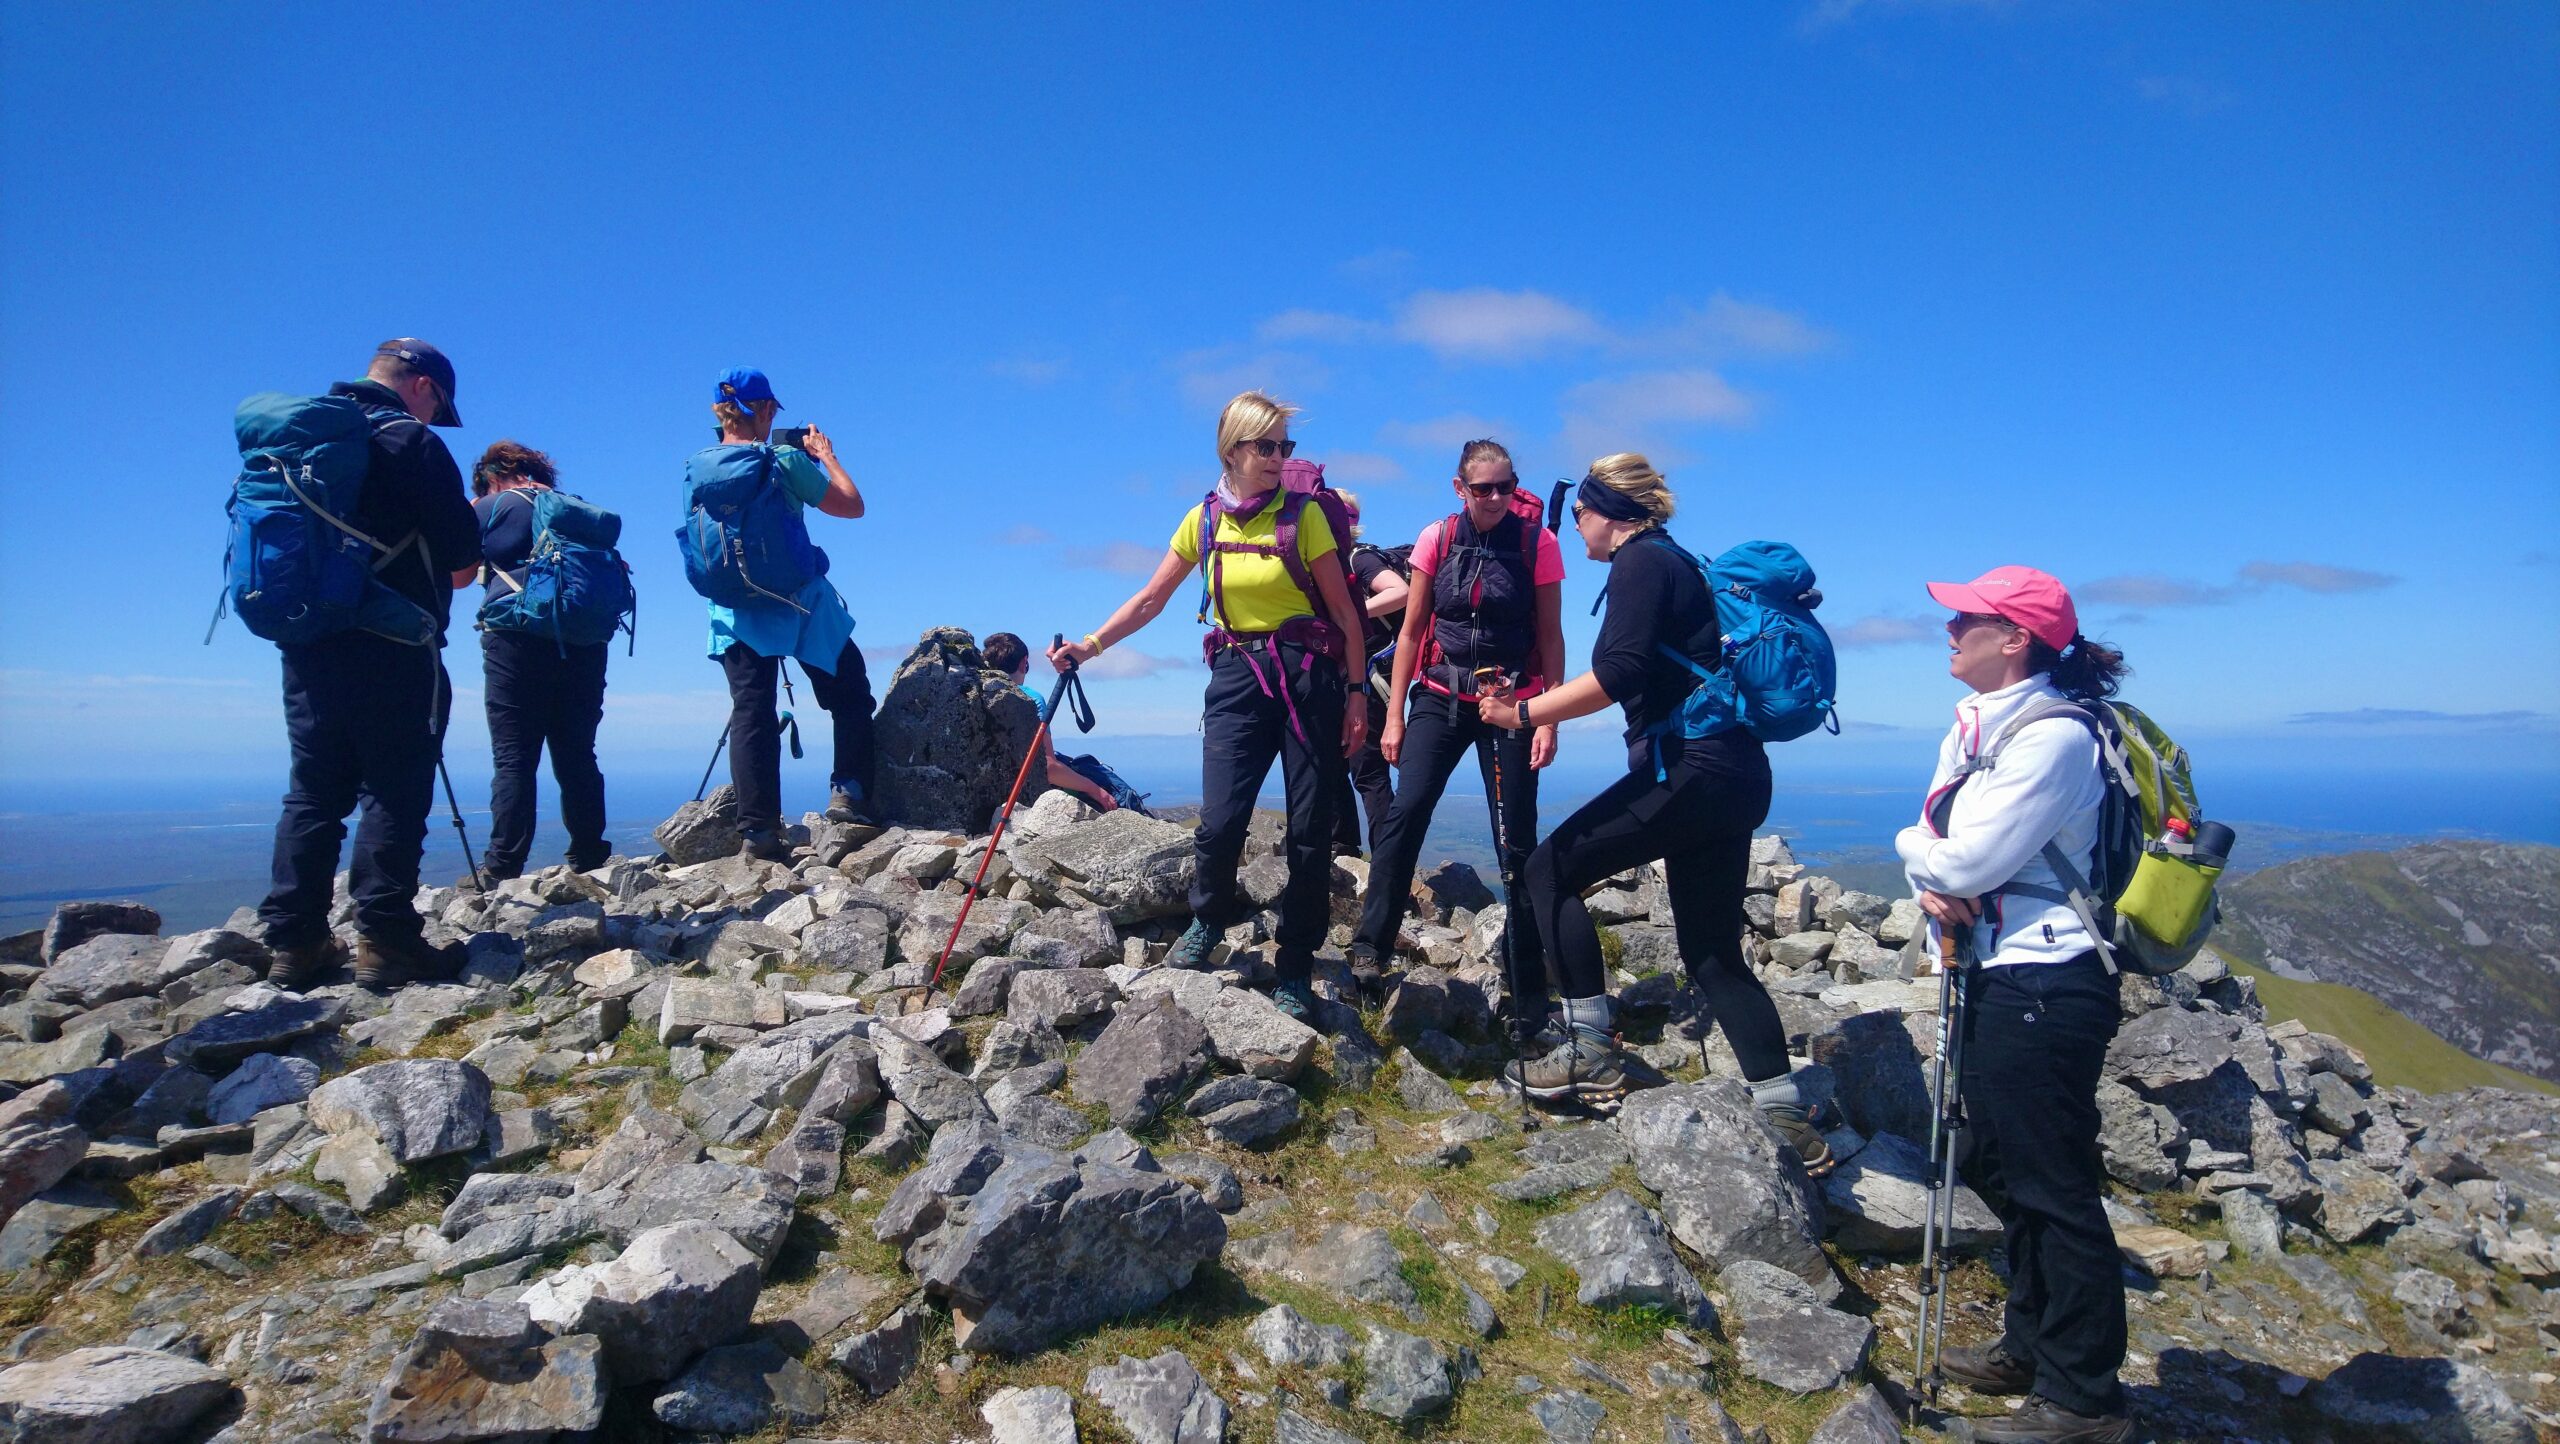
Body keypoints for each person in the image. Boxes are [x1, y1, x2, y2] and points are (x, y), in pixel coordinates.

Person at [1477, 454, 1828, 1170]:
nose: (1574, 527)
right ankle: (1786, 1114)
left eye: (1578, 513)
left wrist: (1522, 714)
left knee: (1548, 871)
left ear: (1611, 511)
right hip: (1734, 776)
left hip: (1692, 772)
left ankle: (1589, 1048)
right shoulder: (1681, 563)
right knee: (1712, 953)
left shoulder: (1639, 563)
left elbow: (1620, 672)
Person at [1894, 567, 2134, 1444]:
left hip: (2048, 980)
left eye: (1969, 618)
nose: (1950, 629)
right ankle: (2032, 1347)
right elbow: (1949, 860)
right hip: (2000, 973)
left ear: (2017, 638)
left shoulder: (2053, 739)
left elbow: (1957, 862)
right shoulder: (1984, 726)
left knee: (2052, 1182)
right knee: (2002, 1167)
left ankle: (2085, 1400)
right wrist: (1937, 867)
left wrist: (1921, 855)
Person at [1048, 391, 1369, 1018]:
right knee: (1220, 820)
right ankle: (1210, 916)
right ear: (1233, 450)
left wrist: (1358, 695)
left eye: (1286, 446)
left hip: (1309, 680)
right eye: (1267, 446)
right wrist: (1088, 646)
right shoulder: (1203, 520)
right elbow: (1149, 599)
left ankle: (1296, 963)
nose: (1279, 457)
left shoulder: (1302, 517)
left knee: (1308, 831)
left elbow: (1346, 618)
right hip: (1235, 676)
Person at [257, 339, 483, 990]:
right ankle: (385, 942)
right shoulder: (409, 445)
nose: (435, 420)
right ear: (421, 386)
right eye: (438, 407)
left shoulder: (295, 443)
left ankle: (294, 945)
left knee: (313, 791)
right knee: (393, 785)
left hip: (307, 641)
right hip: (394, 642)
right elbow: (462, 567)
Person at [1350, 440, 1564, 1000]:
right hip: (1440, 696)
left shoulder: (1537, 542)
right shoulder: (1437, 539)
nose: (1496, 498)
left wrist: (1548, 718)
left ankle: (1527, 980)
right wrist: (1393, 715)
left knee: (1514, 839)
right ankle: (1370, 946)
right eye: (1482, 488)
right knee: (1406, 813)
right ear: (1459, 488)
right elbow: (1412, 632)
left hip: (1513, 705)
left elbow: (1551, 635)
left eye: (1506, 486)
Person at [685, 368, 877, 859]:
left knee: (752, 712)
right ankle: (848, 794)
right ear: (766, 408)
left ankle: (760, 832)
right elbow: (852, 507)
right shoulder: (784, 460)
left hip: (734, 608)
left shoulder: (699, 469)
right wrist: (828, 459)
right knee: (850, 693)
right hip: (801, 601)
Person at [453, 441, 610, 879]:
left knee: (514, 757)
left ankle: (503, 866)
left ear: (491, 476)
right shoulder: (572, 509)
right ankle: (590, 855)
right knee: (577, 752)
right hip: (583, 642)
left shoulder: (492, 504)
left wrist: (471, 512)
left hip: (515, 641)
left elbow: (459, 578)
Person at [1329, 491, 1409, 857]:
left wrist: (1352, 614)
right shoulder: (1333, 563)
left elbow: (1400, 592)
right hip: (1356, 677)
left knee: (1367, 771)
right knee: (1338, 762)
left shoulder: (1358, 559)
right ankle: (1344, 843)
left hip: (1373, 677)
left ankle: (1386, 865)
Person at [982, 631, 1121, 813]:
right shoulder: (1029, 699)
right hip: (1019, 801)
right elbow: (1049, 767)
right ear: (1024, 663)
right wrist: (1096, 790)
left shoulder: (975, 694)